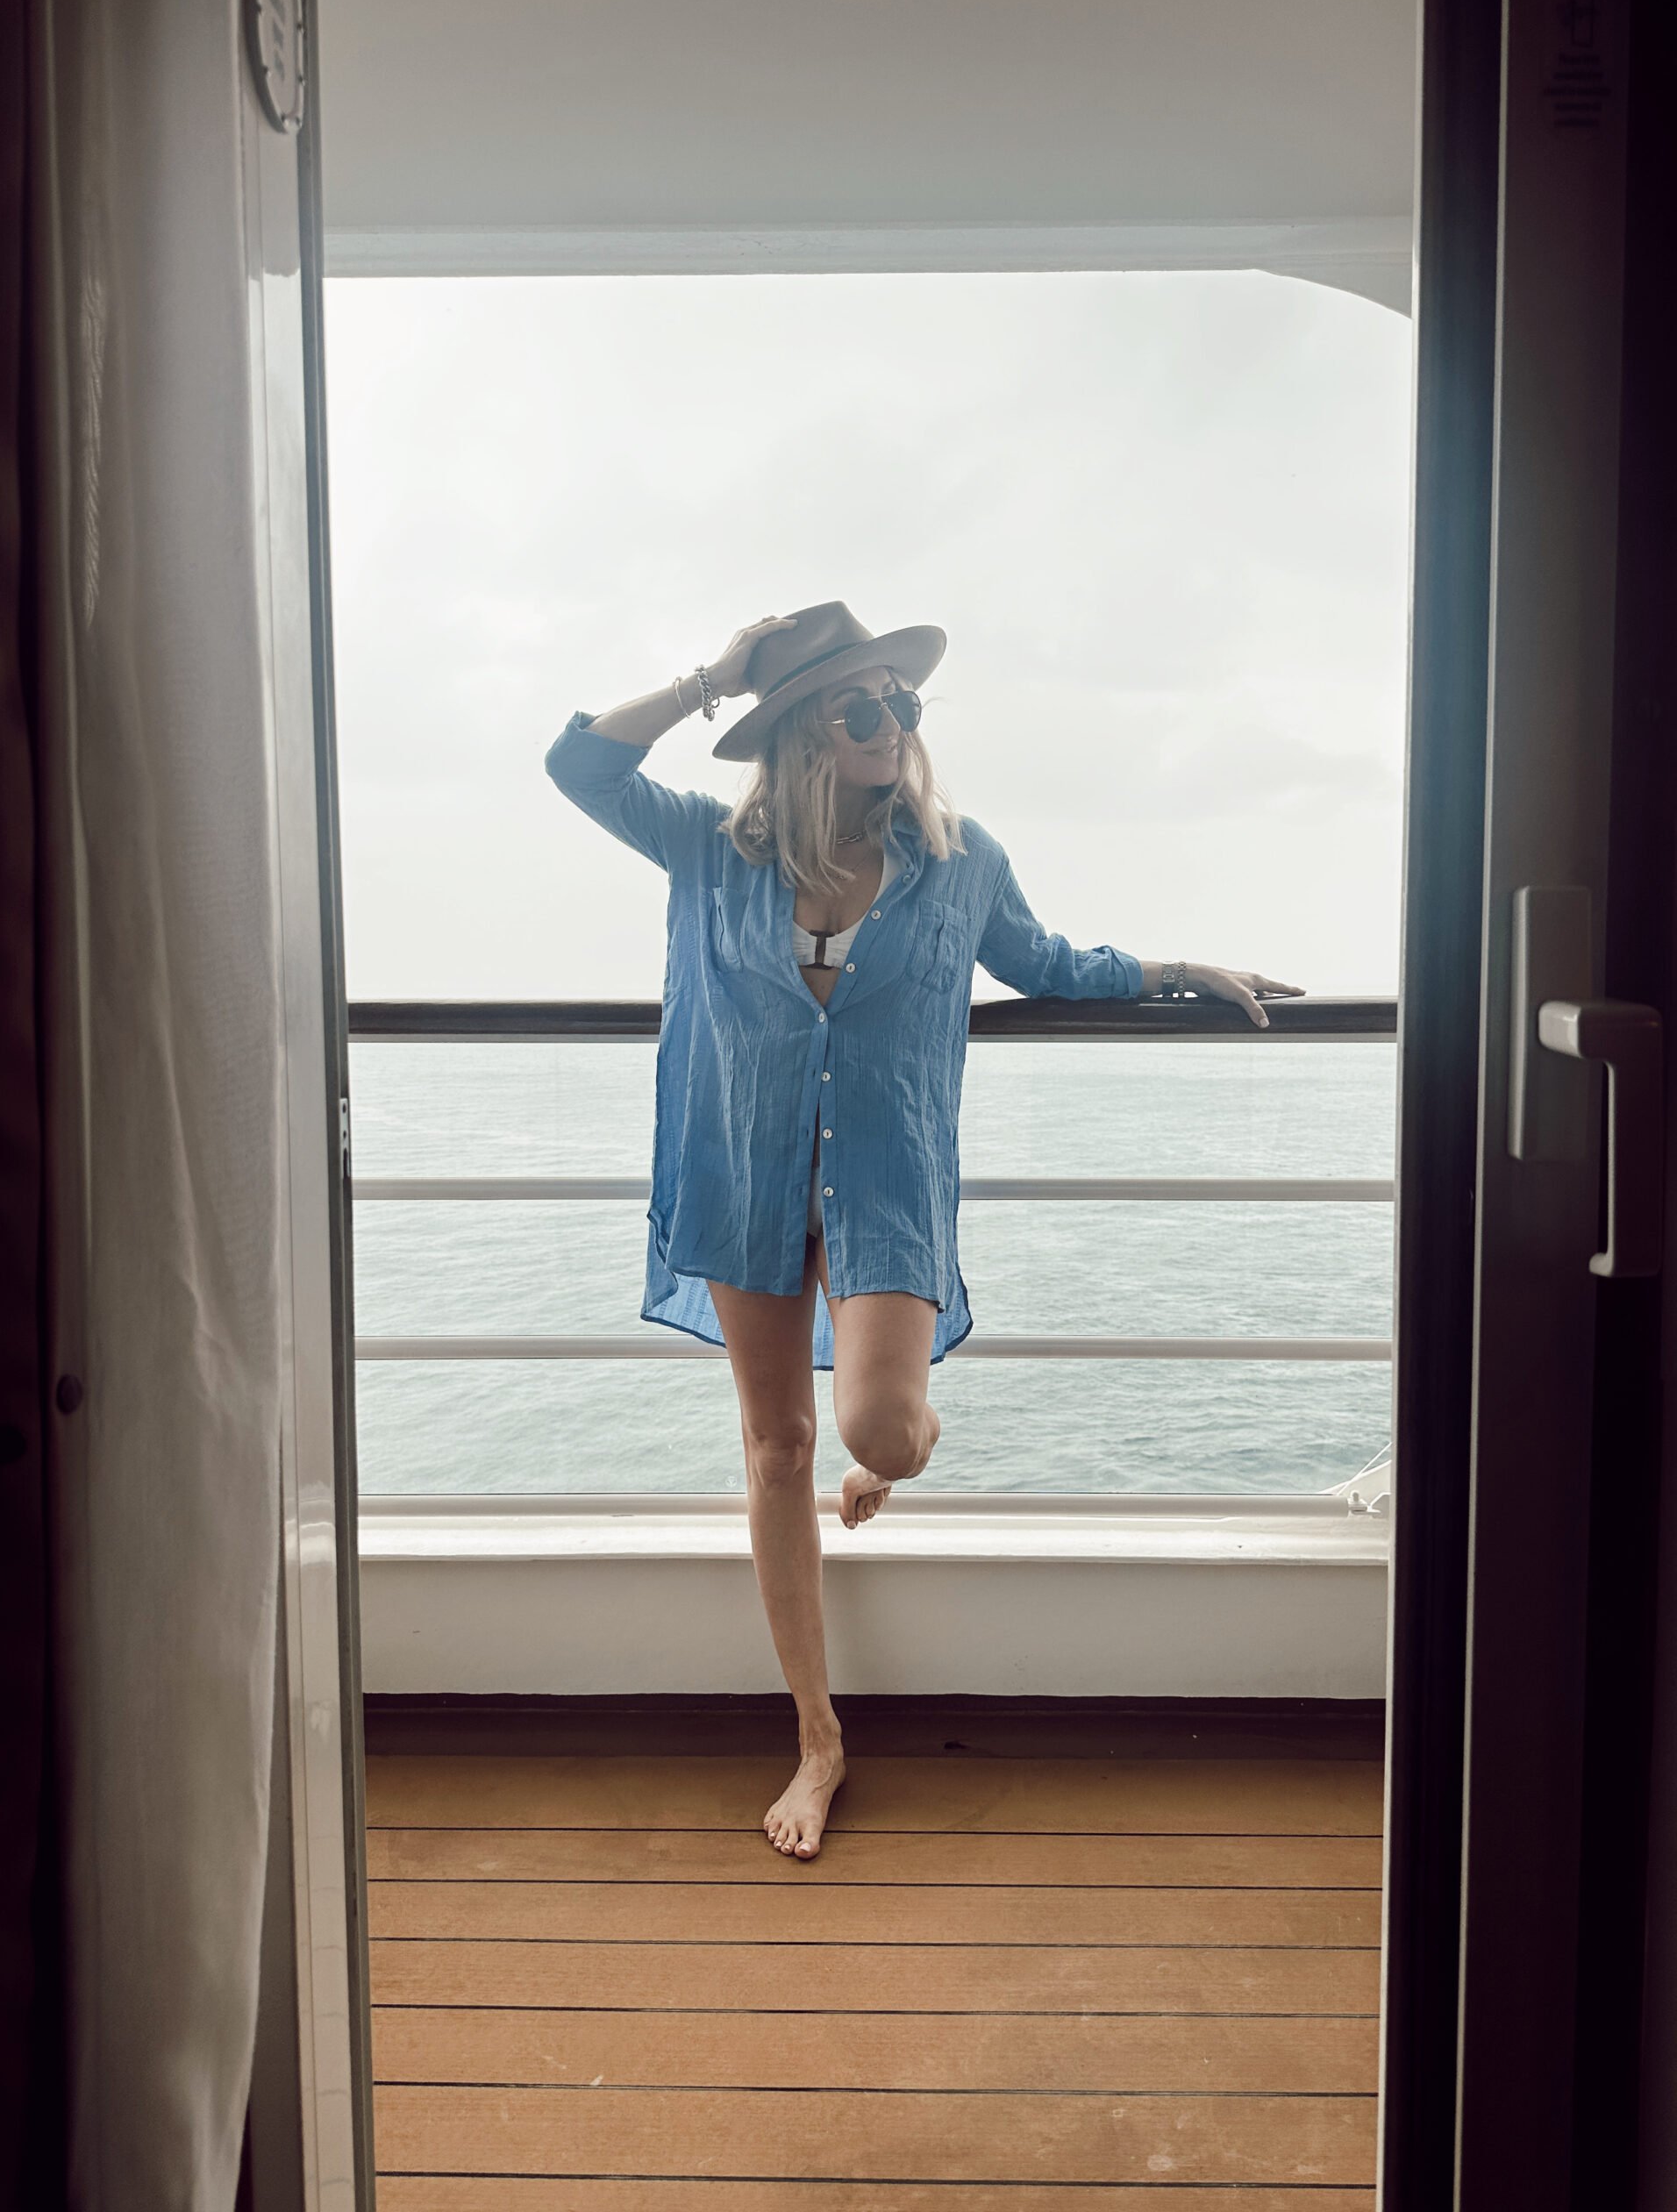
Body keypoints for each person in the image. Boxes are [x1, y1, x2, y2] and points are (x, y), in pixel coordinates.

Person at [545, 602, 1303, 1859]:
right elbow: (579, 762)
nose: (893, 723)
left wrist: (1177, 969)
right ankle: (817, 1737)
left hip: (886, 1186)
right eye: (863, 705)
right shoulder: (706, 845)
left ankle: (881, 1470)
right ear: (797, 731)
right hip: (741, 1175)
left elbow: (1051, 962)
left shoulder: (959, 861)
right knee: (777, 1446)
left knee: (879, 1434)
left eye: (903, 703)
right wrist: (713, 676)